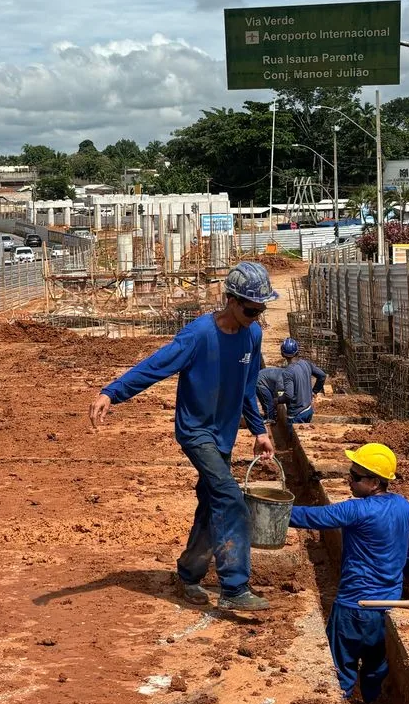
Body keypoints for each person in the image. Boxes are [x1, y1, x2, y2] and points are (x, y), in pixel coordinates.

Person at [89, 261, 279, 613]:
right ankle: (234, 586)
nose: (256, 315)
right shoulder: (198, 335)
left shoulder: (252, 335)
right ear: (230, 300)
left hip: (222, 435)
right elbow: (154, 366)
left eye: (261, 308)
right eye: (251, 309)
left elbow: (248, 387)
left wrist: (259, 429)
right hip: (195, 432)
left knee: (212, 504)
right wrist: (112, 392)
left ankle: (189, 574)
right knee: (230, 498)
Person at [288, 442, 409, 701]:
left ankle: (341, 703)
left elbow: (310, 517)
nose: (349, 480)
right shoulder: (404, 507)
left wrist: (264, 507)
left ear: (375, 482)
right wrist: (405, 588)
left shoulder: (356, 510)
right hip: (385, 608)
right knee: (375, 667)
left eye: (356, 477)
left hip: (352, 608)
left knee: (339, 667)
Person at [255, 337, 326, 425]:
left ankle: (270, 418)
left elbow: (288, 396)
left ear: (282, 354)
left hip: (296, 415)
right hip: (308, 410)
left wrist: (277, 400)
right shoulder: (306, 363)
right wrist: (314, 391)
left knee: (291, 437)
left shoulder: (288, 372)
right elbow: (322, 375)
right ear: (297, 351)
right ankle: (271, 416)